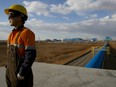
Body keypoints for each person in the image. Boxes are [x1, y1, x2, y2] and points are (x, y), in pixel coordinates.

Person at [4, 4, 36, 87]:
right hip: (10, 73)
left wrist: (22, 72)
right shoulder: (11, 34)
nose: (8, 18)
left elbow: (30, 55)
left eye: (11, 15)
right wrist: (8, 67)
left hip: (20, 75)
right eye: (8, 16)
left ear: (19, 17)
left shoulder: (27, 33)